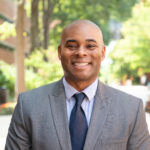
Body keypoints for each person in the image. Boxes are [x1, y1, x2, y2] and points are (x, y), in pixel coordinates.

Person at [5, 20, 150, 150]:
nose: (81, 53)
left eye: (90, 46)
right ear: (60, 52)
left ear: (103, 52)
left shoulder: (131, 109)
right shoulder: (29, 105)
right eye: (72, 46)